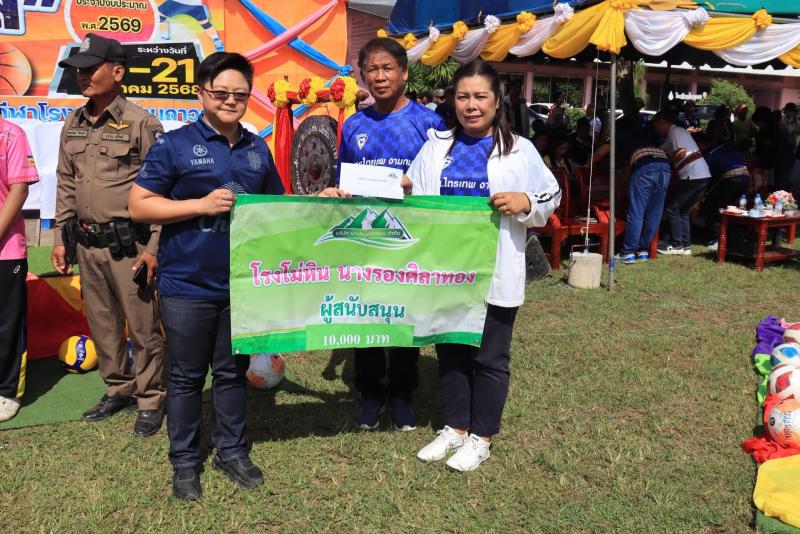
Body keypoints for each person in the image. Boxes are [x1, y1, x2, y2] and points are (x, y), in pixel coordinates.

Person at [129, 52, 345, 500]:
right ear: (201, 93)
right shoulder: (174, 145)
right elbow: (139, 205)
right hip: (186, 285)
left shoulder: (255, 149)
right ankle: (184, 461)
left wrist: (319, 200)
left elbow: (276, 209)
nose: (230, 101)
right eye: (220, 92)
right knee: (186, 378)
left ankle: (231, 451)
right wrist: (200, 205)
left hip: (242, 284)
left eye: (239, 94)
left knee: (231, 373)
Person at [403, 59, 560, 472]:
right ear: (452, 101)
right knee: (451, 350)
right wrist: (389, 189)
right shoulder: (436, 146)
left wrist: (526, 202)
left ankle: (482, 437)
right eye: (462, 97)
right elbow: (413, 194)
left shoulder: (519, 150)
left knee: (490, 357)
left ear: (496, 101)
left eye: (479, 96)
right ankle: (455, 427)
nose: (471, 105)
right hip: (446, 269)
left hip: (495, 268)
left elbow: (551, 194)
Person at [51, 33, 166, 436]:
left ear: (118, 72)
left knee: (143, 327)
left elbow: (160, 189)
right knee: (102, 323)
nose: (82, 76)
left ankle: (151, 399)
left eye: (90, 68)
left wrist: (154, 247)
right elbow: (66, 182)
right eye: (78, 70)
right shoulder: (73, 122)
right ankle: (119, 388)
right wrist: (60, 238)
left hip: (129, 246)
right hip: (87, 243)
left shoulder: (142, 124)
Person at [341, 37, 446, 431]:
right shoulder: (353, 126)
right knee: (365, 315)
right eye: (372, 69)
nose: (380, 76)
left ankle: (402, 392)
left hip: (410, 239)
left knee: (405, 316)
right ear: (362, 75)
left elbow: (438, 181)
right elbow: (343, 180)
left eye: (387, 68)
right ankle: (370, 393)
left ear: (404, 73)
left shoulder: (430, 123)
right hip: (365, 237)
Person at [0, 119, 38, 422]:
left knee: (6, 324)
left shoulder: (10, 134)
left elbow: (19, 191)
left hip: (5, 250)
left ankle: (7, 390)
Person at [593, 116, 671, 264]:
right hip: (664, 165)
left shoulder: (619, 135)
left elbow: (599, 154)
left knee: (637, 211)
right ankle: (643, 250)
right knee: (654, 212)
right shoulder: (647, 132)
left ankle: (628, 252)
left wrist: (585, 166)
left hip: (645, 167)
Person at [652, 112, 711, 255]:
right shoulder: (672, 136)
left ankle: (676, 245)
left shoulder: (675, 131)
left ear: (662, 123)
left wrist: (668, 163)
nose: (657, 130)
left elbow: (681, 152)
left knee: (673, 208)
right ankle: (686, 246)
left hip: (693, 175)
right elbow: (660, 150)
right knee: (683, 211)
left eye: (656, 126)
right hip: (700, 174)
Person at [696, 122, 750, 250]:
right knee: (732, 208)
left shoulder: (709, 153)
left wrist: (699, 198)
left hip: (731, 178)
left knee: (710, 205)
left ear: (703, 144)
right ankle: (730, 236)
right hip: (745, 177)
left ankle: (715, 239)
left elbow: (705, 177)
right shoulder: (725, 147)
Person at [159, 0, 224, 52]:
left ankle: (164, 37)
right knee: (206, 24)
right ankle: (216, 40)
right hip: (194, 5)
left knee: (160, 16)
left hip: (179, 3)